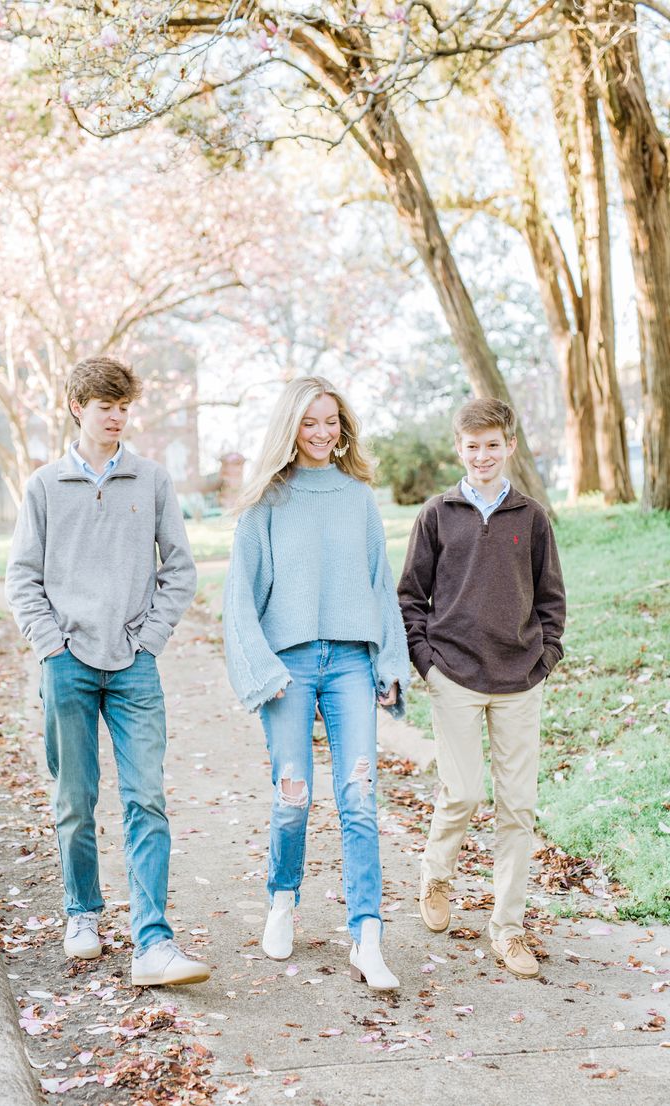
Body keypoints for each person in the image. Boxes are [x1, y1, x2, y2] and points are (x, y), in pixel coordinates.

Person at [5, 355, 210, 987]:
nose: (117, 417)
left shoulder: (151, 480)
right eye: (105, 406)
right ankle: (83, 913)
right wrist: (51, 644)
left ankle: (153, 940)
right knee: (75, 797)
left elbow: (179, 568)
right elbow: (22, 577)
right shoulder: (45, 486)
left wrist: (148, 639)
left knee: (146, 797)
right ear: (78, 408)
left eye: (124, 407)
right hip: (66, 664)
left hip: (133, 667)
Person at [223, 376, 410, 991]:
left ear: (344, 426)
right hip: (289, 668)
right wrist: (263, 668)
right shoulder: (267, 504)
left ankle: (367, 935)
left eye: (331, 421)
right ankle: (282, 900)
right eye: (310, 422)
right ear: (290, 429)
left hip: (352, 663)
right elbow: (239, 601)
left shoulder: (358, 497)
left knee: (359, 796)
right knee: (293, 796)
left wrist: (388, 663)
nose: (323, 432)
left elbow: (382, 584)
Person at [398, 398, 565, 979]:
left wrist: (544, 660)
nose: (483, 455)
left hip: (520, 679)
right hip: (456, 677)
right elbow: (410, 597)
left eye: (493, 444)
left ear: (509, 446)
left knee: (517, 806)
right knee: (464, 792)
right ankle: (435, 873)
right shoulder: (437, 514)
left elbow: (551, 600)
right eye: (472, 446)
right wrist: (429, 664)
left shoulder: (531, 517)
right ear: (459, 449)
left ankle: (508, 927)